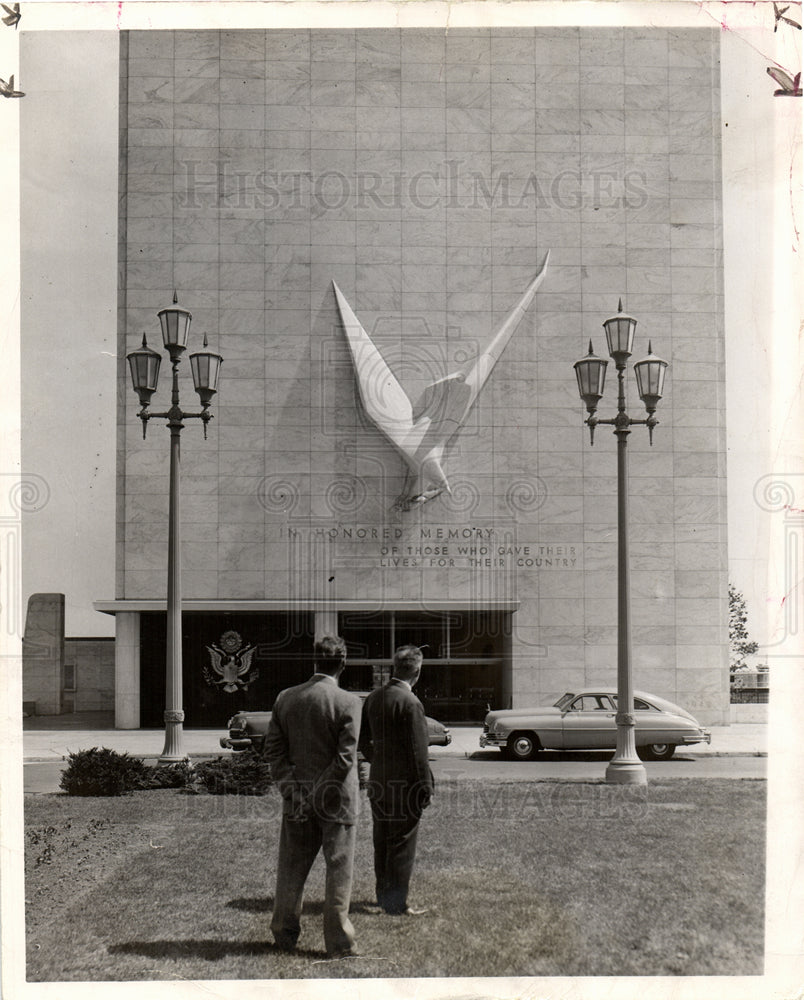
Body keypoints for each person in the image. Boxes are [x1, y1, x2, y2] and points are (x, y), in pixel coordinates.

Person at [265, 635, 362, 958]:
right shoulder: (349, 702)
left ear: (315, 662)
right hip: (337, 802)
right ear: (343, 664)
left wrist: (297, 793)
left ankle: (283, 934)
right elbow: (345, 758)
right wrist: (319, 794)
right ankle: (339, 943)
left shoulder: (285, 698)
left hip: (297, 801)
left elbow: (274, 753)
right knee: (339, 872)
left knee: (291, 869)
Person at [358, 644, 434, 916]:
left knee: (383, 841)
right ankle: (396, 904)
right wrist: (425, 788)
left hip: (379, 782)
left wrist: (380, 761)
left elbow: (363, 742)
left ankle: (383, 896)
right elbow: (418, 752)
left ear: (396, 668)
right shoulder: (411, 703)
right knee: (402, 844)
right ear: (417, 671)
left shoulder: (374, 698)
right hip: (405, 787)